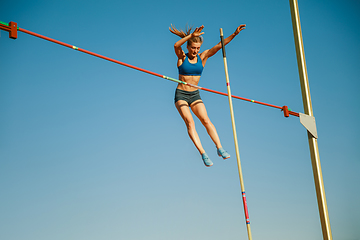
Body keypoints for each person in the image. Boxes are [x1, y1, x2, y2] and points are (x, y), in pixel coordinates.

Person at [169, 24, 246, 167]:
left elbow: (218, 46)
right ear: (188, 47)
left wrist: (234, 34)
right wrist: (190, 36)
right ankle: (203, 153)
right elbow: (175, 45)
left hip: (195, 94)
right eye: (193, 48)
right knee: (190, 122)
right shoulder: (182, 57)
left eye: (197, 48)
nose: (195, 51)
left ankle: (219, 147)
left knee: (205, 120)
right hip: (181, 95)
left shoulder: (202, 57)